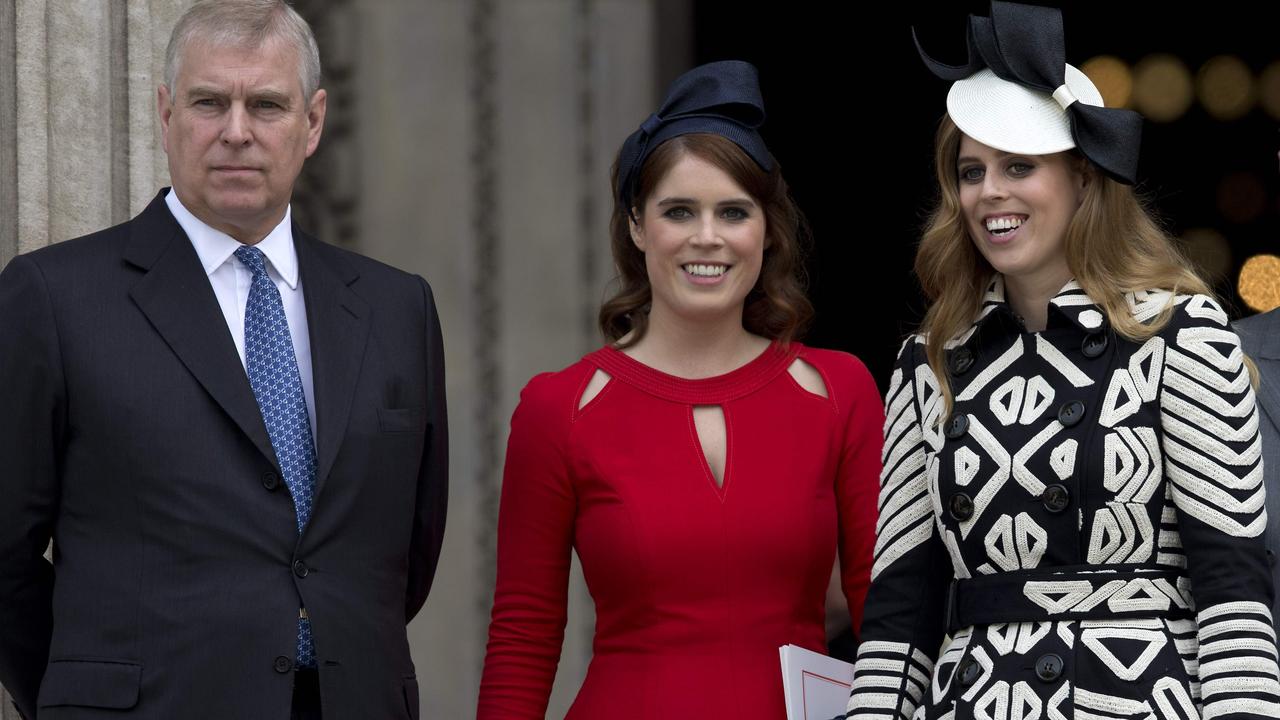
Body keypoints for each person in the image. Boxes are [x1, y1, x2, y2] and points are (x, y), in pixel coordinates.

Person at [0, 2, 447, 718]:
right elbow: (6, 560)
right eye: (210, 102)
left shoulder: (399, 309)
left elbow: (406, 555)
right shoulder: (55, 297)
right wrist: (89, 689)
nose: (236, 132)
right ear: (167, 112)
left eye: (266, 105)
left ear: (314, 122)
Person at [848, 2, 1280, 716]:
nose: (991, 192)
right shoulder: (927, 364)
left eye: (1020, 166)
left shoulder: (1182, 336)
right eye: (971, 170)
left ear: (1083, 178)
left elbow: (1234, 594)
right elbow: (898, 621)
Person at [476, 60, 882, 718]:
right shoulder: (559, 409)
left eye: (733, 211)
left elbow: (885, 616)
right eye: (678, 211)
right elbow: (524, 635)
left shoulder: (839, 390)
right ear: (638, 226)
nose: (707, 237)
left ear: (767, 228)